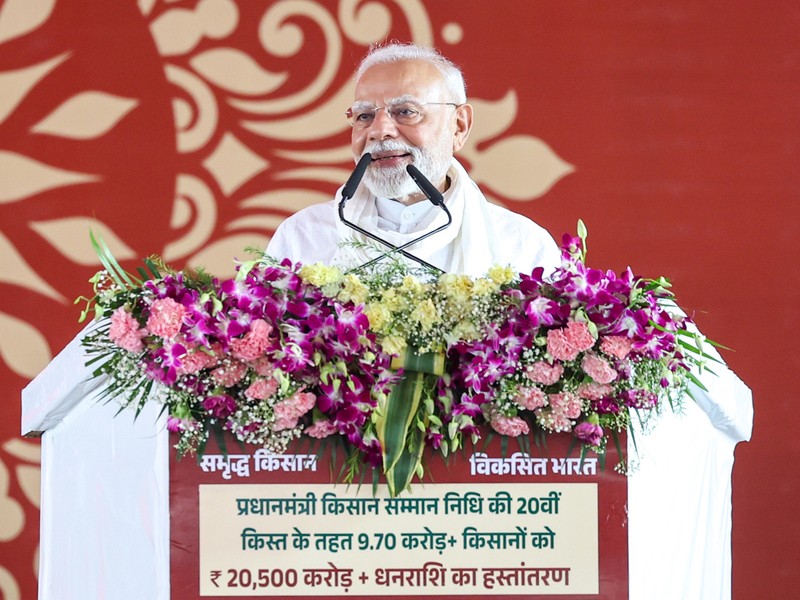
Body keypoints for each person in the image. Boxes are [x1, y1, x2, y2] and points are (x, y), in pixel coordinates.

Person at [267, 42, 560, 277]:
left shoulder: (522, 247)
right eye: (364, 116)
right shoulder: (302, 238)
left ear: (459, 126)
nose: (379, 131)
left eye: (406, 112)